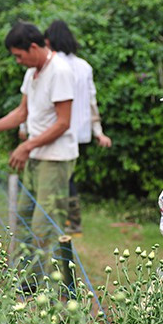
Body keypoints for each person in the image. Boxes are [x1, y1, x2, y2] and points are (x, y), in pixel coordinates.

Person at [0, 22, 77, 284]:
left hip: (56, 159)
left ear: (33, 47)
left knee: (44, 225)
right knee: (24, 220)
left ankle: (54, 287)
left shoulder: (60, 71)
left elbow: (64, 123)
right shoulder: (33, 73)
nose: (17, 61)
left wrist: (26, 145)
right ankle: (29, 283)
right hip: (37, 157)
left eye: (19, 55)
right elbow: (22, 113)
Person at [43, 20, 112, 235]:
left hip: (57, 129)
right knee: (67, 174)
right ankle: (70, 220)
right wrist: (98, 132)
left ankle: (66, 220)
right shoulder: (84, 66)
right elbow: (92, 101)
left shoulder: (52, 64)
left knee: (61, 175)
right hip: (79, 130)